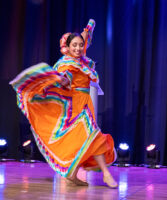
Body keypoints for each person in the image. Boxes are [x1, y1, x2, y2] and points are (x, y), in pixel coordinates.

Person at [10, 19, 118, 188]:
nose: (78, 48)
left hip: (85, 102)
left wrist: (89, 27)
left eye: (80, 45)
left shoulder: (82, 59)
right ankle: (105, 174)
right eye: (74, 45)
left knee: (86, 139)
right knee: (93, 136)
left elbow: (85, 37)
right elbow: (65, 77)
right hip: (73, 105)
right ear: (67, 47)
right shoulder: (67, 64)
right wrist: (62, 80)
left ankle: (73, 176)